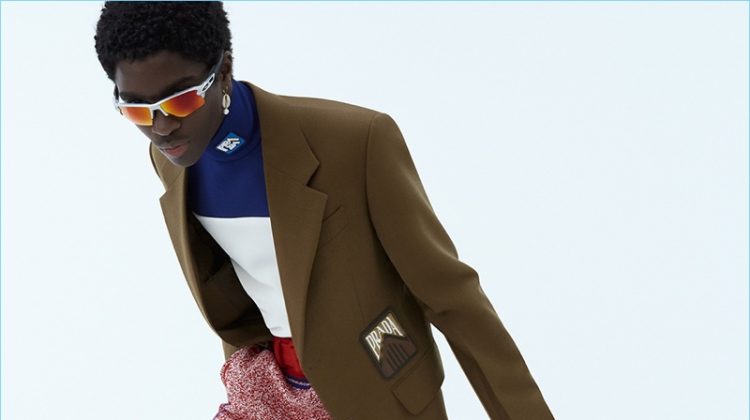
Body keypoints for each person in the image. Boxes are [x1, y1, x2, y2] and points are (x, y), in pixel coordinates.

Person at [94, 2, 555, 419]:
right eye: (136, 110)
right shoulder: (172, 161)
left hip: (371, 387)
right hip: (266, 389)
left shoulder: (354, 142)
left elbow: (452, 298)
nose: (162, 127)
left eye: (181, 100)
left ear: (224, 69)